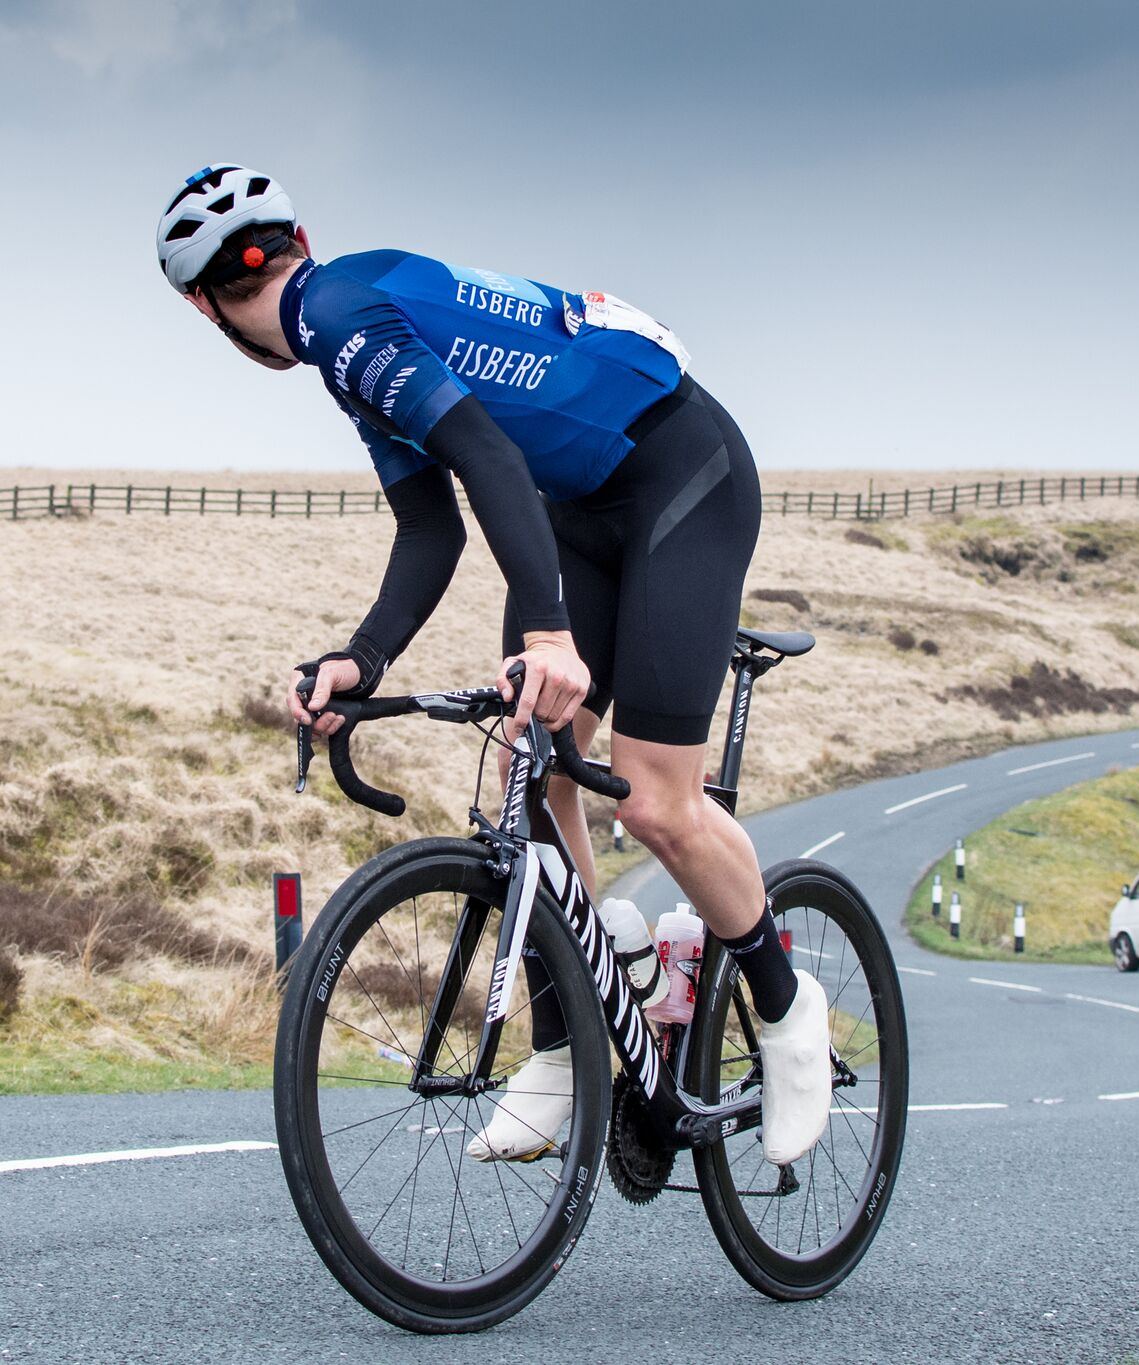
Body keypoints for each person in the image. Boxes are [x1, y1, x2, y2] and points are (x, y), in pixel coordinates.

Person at [156, 165, 830, 1167]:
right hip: (584, 513)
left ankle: (787, 1014)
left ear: (207, 306)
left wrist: (549, 636)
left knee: (651, 802)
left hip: (681, 477)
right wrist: (362, 657)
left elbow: (490, 463)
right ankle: (571, 1037)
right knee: (534, 761)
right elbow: (429, 525)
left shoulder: (341, 322)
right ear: (300, 234)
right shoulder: (343, 319)